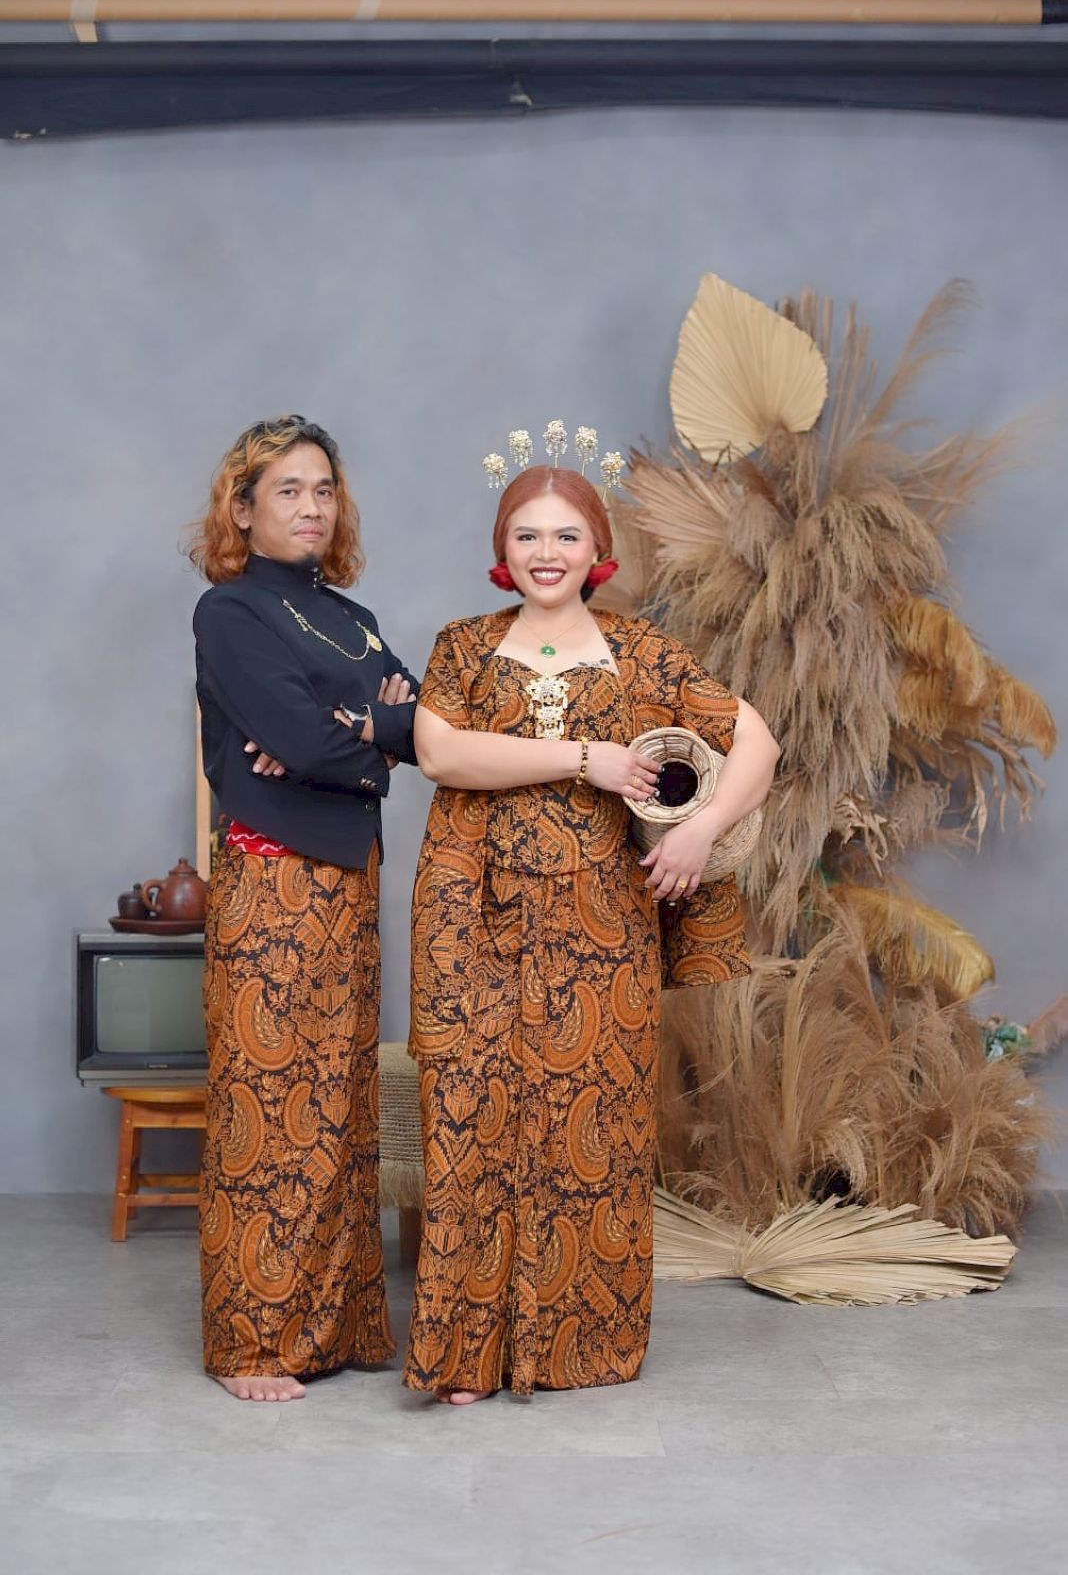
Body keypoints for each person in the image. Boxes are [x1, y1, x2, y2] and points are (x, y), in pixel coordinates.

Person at [403, 447, 778, 1403]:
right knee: (471, 1118)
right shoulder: (461, 646)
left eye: (566, 535)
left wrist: (700, 829)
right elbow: (441, 754)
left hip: (601, 923)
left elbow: (758, 742)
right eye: (526, 535)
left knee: (593, 1125)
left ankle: (576, 1348)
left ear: (596, 548)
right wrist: (585, 759)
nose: (546, 551)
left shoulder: (644, 651)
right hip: (472, 915)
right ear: (502, 549)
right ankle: (468, 1354)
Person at [188, 415, 419, 1401]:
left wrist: (357, 735)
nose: (312, 506)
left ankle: (335, 1327)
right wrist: (369, 740)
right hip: (274, 887)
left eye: (324, 488)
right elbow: (314, 739)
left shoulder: (352, 617)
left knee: (338, 1110)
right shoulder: (230, 612)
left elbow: (425, 717)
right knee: (269, 1108)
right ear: (243, 508)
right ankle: (251, 1342)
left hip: (351, 884)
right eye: (288, 489)